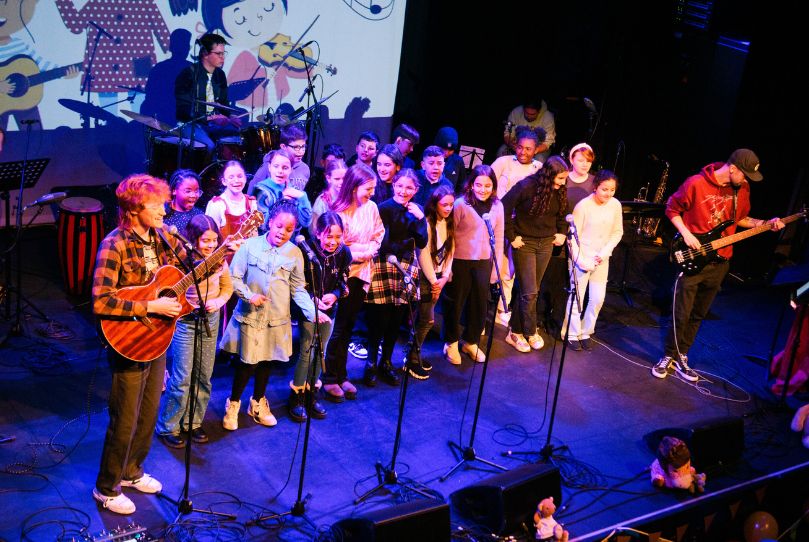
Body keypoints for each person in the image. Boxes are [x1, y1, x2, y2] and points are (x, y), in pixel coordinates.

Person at [91, 174, 185, 515]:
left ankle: (132, 472)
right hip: (128, 341)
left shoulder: (164, 239)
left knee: (148, 414)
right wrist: (150, 306)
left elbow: (181, 277)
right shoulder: (114, 244)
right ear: (134, 209)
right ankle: (106, 487)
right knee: (125, 418)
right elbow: (101, 301)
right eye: (156, 204)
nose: (163, 209)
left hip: (156, 339)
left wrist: (221, 255)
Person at [652, 149, 785, 381]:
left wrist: (765, 224)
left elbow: (741, 219)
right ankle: (668, 356)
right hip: (695, 256)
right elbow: (672, 209)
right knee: (680, 313)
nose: (745, 181)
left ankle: (683, 355)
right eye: (744, 175)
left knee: (698, 314)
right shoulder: (696, 183)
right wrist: (686, 234)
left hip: (721, 261)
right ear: (733, 168)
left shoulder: (742, 189)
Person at [219, 200, 316, 430]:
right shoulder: (250, 246)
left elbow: (298, 288)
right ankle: (233, 403)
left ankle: (258, 402)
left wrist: (313, 312)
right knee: (247, 361)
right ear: (270, 223)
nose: (283, 233)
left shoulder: (294, 253)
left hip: (276, 319)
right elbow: (234, 277)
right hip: (251, 316)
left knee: (266, 361)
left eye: (289, 230)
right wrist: (249, 295)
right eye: (279, 226)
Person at [156, 215, 233, 448]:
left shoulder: (220, 261)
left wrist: (218, 302)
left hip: (210, 318)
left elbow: (227, 288)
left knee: (203, 375)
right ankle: (168, 426)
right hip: (186, 320)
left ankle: (193, 422)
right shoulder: (183, 261)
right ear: (193, 239)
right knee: (182, 376)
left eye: (213, 240)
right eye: (204, 240)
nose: (210, 245)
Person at [321, 164, 385, 402]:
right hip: (341, 276)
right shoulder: (338, 211)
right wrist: (362, 250)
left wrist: (366, 250)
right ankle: (328, 378)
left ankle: (341, 374)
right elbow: (338, 247)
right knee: (336, 330)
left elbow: (378, 235)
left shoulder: (372, 208)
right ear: (354, 186)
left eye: (374, 188)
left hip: (362, 276)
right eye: (368, 188)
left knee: (348, 326)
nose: (372, 193)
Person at [364, 169, 428, 387]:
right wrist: (399, 249)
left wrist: (421, 221)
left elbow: (422, 242)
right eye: (400, 186)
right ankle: (371, 362)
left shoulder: (417, 210)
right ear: (394, 186)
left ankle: (387, 362)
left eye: (409, 187)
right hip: (386, 262)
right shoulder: (383, 208)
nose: (404, 191)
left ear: (416, 190)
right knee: (379, 318)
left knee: (395, 319)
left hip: (406, 266)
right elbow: (383, 241)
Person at [501, 156, 569, 353]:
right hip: (525, 244)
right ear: (548, 175)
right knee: (530, 292)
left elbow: (563, 214)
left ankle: (515, 331)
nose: (562, 183)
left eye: (564, 179)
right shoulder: (526, 186)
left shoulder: (559, 190)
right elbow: (503, 208)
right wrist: (511, 236)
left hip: (546, 243)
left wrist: (562, 232)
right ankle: (530, 331)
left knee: (530, 291)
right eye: (559, 179)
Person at [290, 211, 352, 422]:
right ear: (318, 233)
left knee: (321, 351)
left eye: (337, 237)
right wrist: (312, 300)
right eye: (328, 236)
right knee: (307, 350)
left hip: (329, 308)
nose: (333, 241)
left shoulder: (344, 253)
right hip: (309, 308)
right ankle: (296, 395)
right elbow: (296, 282)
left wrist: (334, 295)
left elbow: (344, 281)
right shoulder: (305, 250)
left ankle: (312, 391)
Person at [442, 165, 504, 365]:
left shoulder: (498, 206)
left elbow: (500, 237)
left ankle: (471, 341)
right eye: (478, 184)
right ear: (471, 184)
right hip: (460, 261)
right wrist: (447, 266)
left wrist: (496, 268)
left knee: (479, 303)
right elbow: (449, 237)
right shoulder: (461, 204)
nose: (483, 189)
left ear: (493, 186)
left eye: (487, 185)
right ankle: (450, 342)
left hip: (484, 261)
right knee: (455, 302)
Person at [562, 170, 623, 351]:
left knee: (597, 298)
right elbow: (572, 237)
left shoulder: (615, 205)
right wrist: (581, 260)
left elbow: (617, 232)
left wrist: (604, 253)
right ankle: (571, 333)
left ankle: (586, 330)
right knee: (577, 297)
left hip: (601, 258)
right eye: (604, 189)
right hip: (581, 258)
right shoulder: (583, 206)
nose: (608, 193)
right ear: (596, 187)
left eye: (612, 190)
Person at [490, 127, 542, 327]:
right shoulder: (503, 163)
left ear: (536, 150)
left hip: (522, 225)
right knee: (497, 264)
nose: (523, 152)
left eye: (528, 149)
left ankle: (504, 307)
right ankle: (493, 306)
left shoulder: (539, 168)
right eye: (520, 147)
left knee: (511, 268)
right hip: (500, 220)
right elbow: (487, 182)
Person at [406, 185, 455, 380]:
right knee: (426, 320)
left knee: (424, 320)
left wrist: (444, 277)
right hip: (426, 277)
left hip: (438, 277)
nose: (449, 208)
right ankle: (411, 359)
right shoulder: (427, 223)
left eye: (451, 204)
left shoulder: (449, 223)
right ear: (435, 205)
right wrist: (435, 281)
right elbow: (423, 254)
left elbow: (451, 252)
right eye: (445, 205)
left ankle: (415, 355)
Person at [174, 33, 242, 154]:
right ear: (205, 53)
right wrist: (210, 118)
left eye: (223, 53)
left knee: (238, 140)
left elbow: (223, 105)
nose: (222, 58)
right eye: (218, 54)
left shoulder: (220, 75)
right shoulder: (189, 74)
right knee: (209, 146)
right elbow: (183, 111)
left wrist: (230, 117)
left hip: (213, 125)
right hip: (191, 124)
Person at [205, 160, 258, 259]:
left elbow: (254, 238)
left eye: (239, 176)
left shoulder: (251, 203)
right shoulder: (217, 205)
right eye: (231, 177)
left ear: (246, 178)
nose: (236, 180)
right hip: (223, 261)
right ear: (224, 181)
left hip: (245, 259)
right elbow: (209, 240)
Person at [250, 149, 312, 232]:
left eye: (285, 168)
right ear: (269, 167)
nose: (280, 171)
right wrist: (283, 201)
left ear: (291, 169)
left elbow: (305, 222)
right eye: (276, 166)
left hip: (290, 242)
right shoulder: (261, 190)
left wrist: (302, 197)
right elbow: (263, 225)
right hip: (268, 242)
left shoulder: (295, 192)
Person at [250, 124, 311, 191]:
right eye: (296, 147)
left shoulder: (305, 169)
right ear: (283, 147)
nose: (301, 151)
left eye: (303, 146)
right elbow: (252, 191)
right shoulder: (268, 166)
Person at [498, 98, 555, 163]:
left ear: (539, 112)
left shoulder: (548, 117)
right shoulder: (516, 112)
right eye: (527, 113)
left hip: (538, 148)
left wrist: (534, 150)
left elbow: (548, 142)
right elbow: (507, 133)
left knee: (539, 159)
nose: (529, 116)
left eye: (532, 114)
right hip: (518, 145)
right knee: (501, 151)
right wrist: (511, 144)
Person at [310, 158, 347, 236]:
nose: (341, 182)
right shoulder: (322, 201)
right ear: (328, 178)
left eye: (344, 178)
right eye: (337, 179)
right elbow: (314, 230)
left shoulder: (349, 198)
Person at [163, 169, 204, 235]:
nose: (193, 195)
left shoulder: (199, 215)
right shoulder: (162, 213)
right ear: (174, 191)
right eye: (188, 191)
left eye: (196, 191)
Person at [434, 126, 466, 191]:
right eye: (444, 148)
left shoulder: (458, 161)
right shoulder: (428, 157)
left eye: (450, 150)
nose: (446, 153)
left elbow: (462, 185)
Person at [566, 143, 596, 210]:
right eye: (581, 160)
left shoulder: (595, 181)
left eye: (588, 161)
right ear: (571, 160)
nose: (585, 164)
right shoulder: (562, 179)